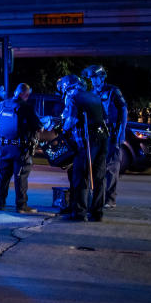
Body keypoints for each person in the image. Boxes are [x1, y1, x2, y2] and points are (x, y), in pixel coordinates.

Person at [57, 74, 108, 222]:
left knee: (81, 175)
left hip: (87, 141)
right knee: (99, 176)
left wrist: (63, 128)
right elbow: (105, 118)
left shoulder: (74, 98)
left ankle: (79, 212)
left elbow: (70, 121)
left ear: (68, 87)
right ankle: (97, 212)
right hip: (102, 139)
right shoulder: (94, 96)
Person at [0, 83, 39, 214]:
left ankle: (0, 203)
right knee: (21, 177)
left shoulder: (0, 105)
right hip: (20, 149)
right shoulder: (26, 107)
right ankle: (21, 206)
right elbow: (37, 126)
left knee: (4, 176)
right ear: (25, 94)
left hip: (3, 147)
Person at [82, 65, 127, 209]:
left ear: (102, 77)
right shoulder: (92, 93)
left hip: (112, 133)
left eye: (95, 77)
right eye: (92, 78)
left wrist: (121, 132)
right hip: (98, 133)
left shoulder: (113, 91)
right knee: (98, 167)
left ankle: (110, 199)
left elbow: (123, 110)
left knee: (111, 167)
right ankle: (98, 198)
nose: (94, 81)